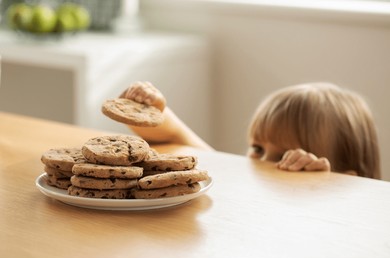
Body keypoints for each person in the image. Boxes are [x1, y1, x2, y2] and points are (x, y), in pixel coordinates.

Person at [120, 81, 381, 179]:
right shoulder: (240, 179)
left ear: (350, 180)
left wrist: (319, 184)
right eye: (258, 148)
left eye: (285, 157)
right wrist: (153, 108)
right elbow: (176, 137)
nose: (263, 163)